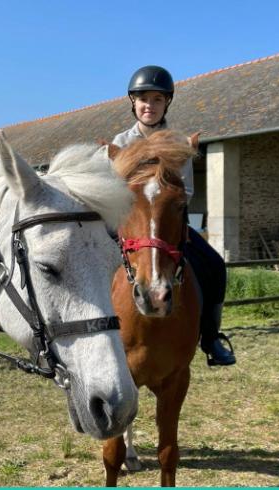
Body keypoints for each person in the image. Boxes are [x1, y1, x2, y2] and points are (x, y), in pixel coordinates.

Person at [113, 65, 236, 366]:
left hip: (168, 221)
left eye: (157, 100)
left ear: (166, 103)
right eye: (143, 99)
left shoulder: (179, 144)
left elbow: (188, 191)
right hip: (129, 224)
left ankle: (210, 338)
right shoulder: (120, 143)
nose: (149, 106)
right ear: (133, 102)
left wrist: (167, 205)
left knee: (214, 265)